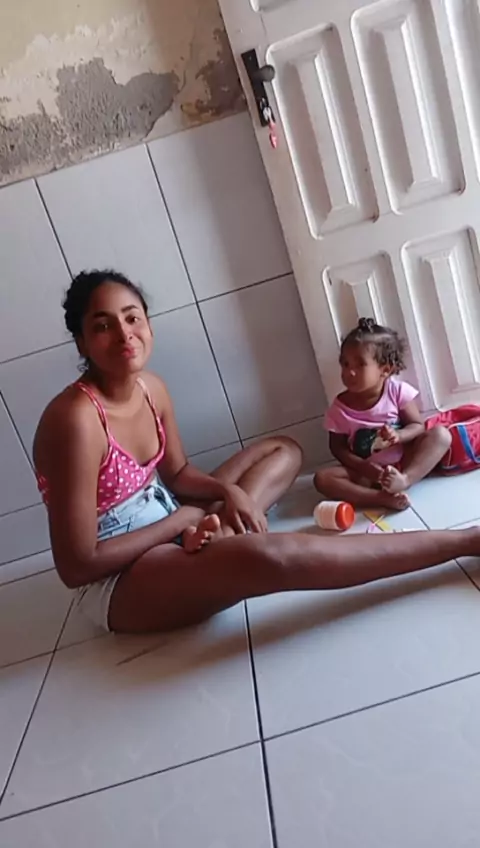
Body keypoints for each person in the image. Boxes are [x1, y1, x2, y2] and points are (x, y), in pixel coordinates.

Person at [34, 274, 480, 634]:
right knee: (270, 558)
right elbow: (78, 566)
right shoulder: (74, 418)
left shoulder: (151, 388)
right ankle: (466, 541)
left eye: (132, 318)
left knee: (283, 450)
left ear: (148, 324)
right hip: (119, 578)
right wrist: (181, 521)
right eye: (103, 325)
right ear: (81, 342)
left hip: (167, 515)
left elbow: (179, 473)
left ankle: (215, 541)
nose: (124, 334)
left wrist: (228, 493)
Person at [314, 318, 451, 510]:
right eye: (345, 364)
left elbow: (417, 426)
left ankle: (405, 480)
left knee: (441, 435)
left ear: (385, 370)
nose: (349, 372)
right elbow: (338, 448)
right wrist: (364, 467)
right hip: (366, 473)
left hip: (403, 462)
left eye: (359, 365)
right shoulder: (340, 408)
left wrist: (399, 435)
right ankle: (379, 498)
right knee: (322, 479)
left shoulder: (396, 391)